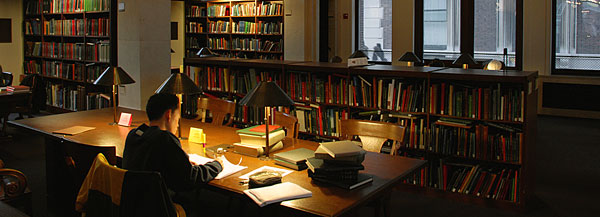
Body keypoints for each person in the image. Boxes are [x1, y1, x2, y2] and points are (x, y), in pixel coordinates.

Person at [122, 93, 222, 216]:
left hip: (132, 205)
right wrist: (216, 165)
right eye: (177, 119)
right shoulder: (165, 139)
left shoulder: (134, 134)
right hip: (158, 208)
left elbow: (156, 162)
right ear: (169, 115)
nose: (178, 124)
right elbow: (190, 178)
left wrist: (183, 163)